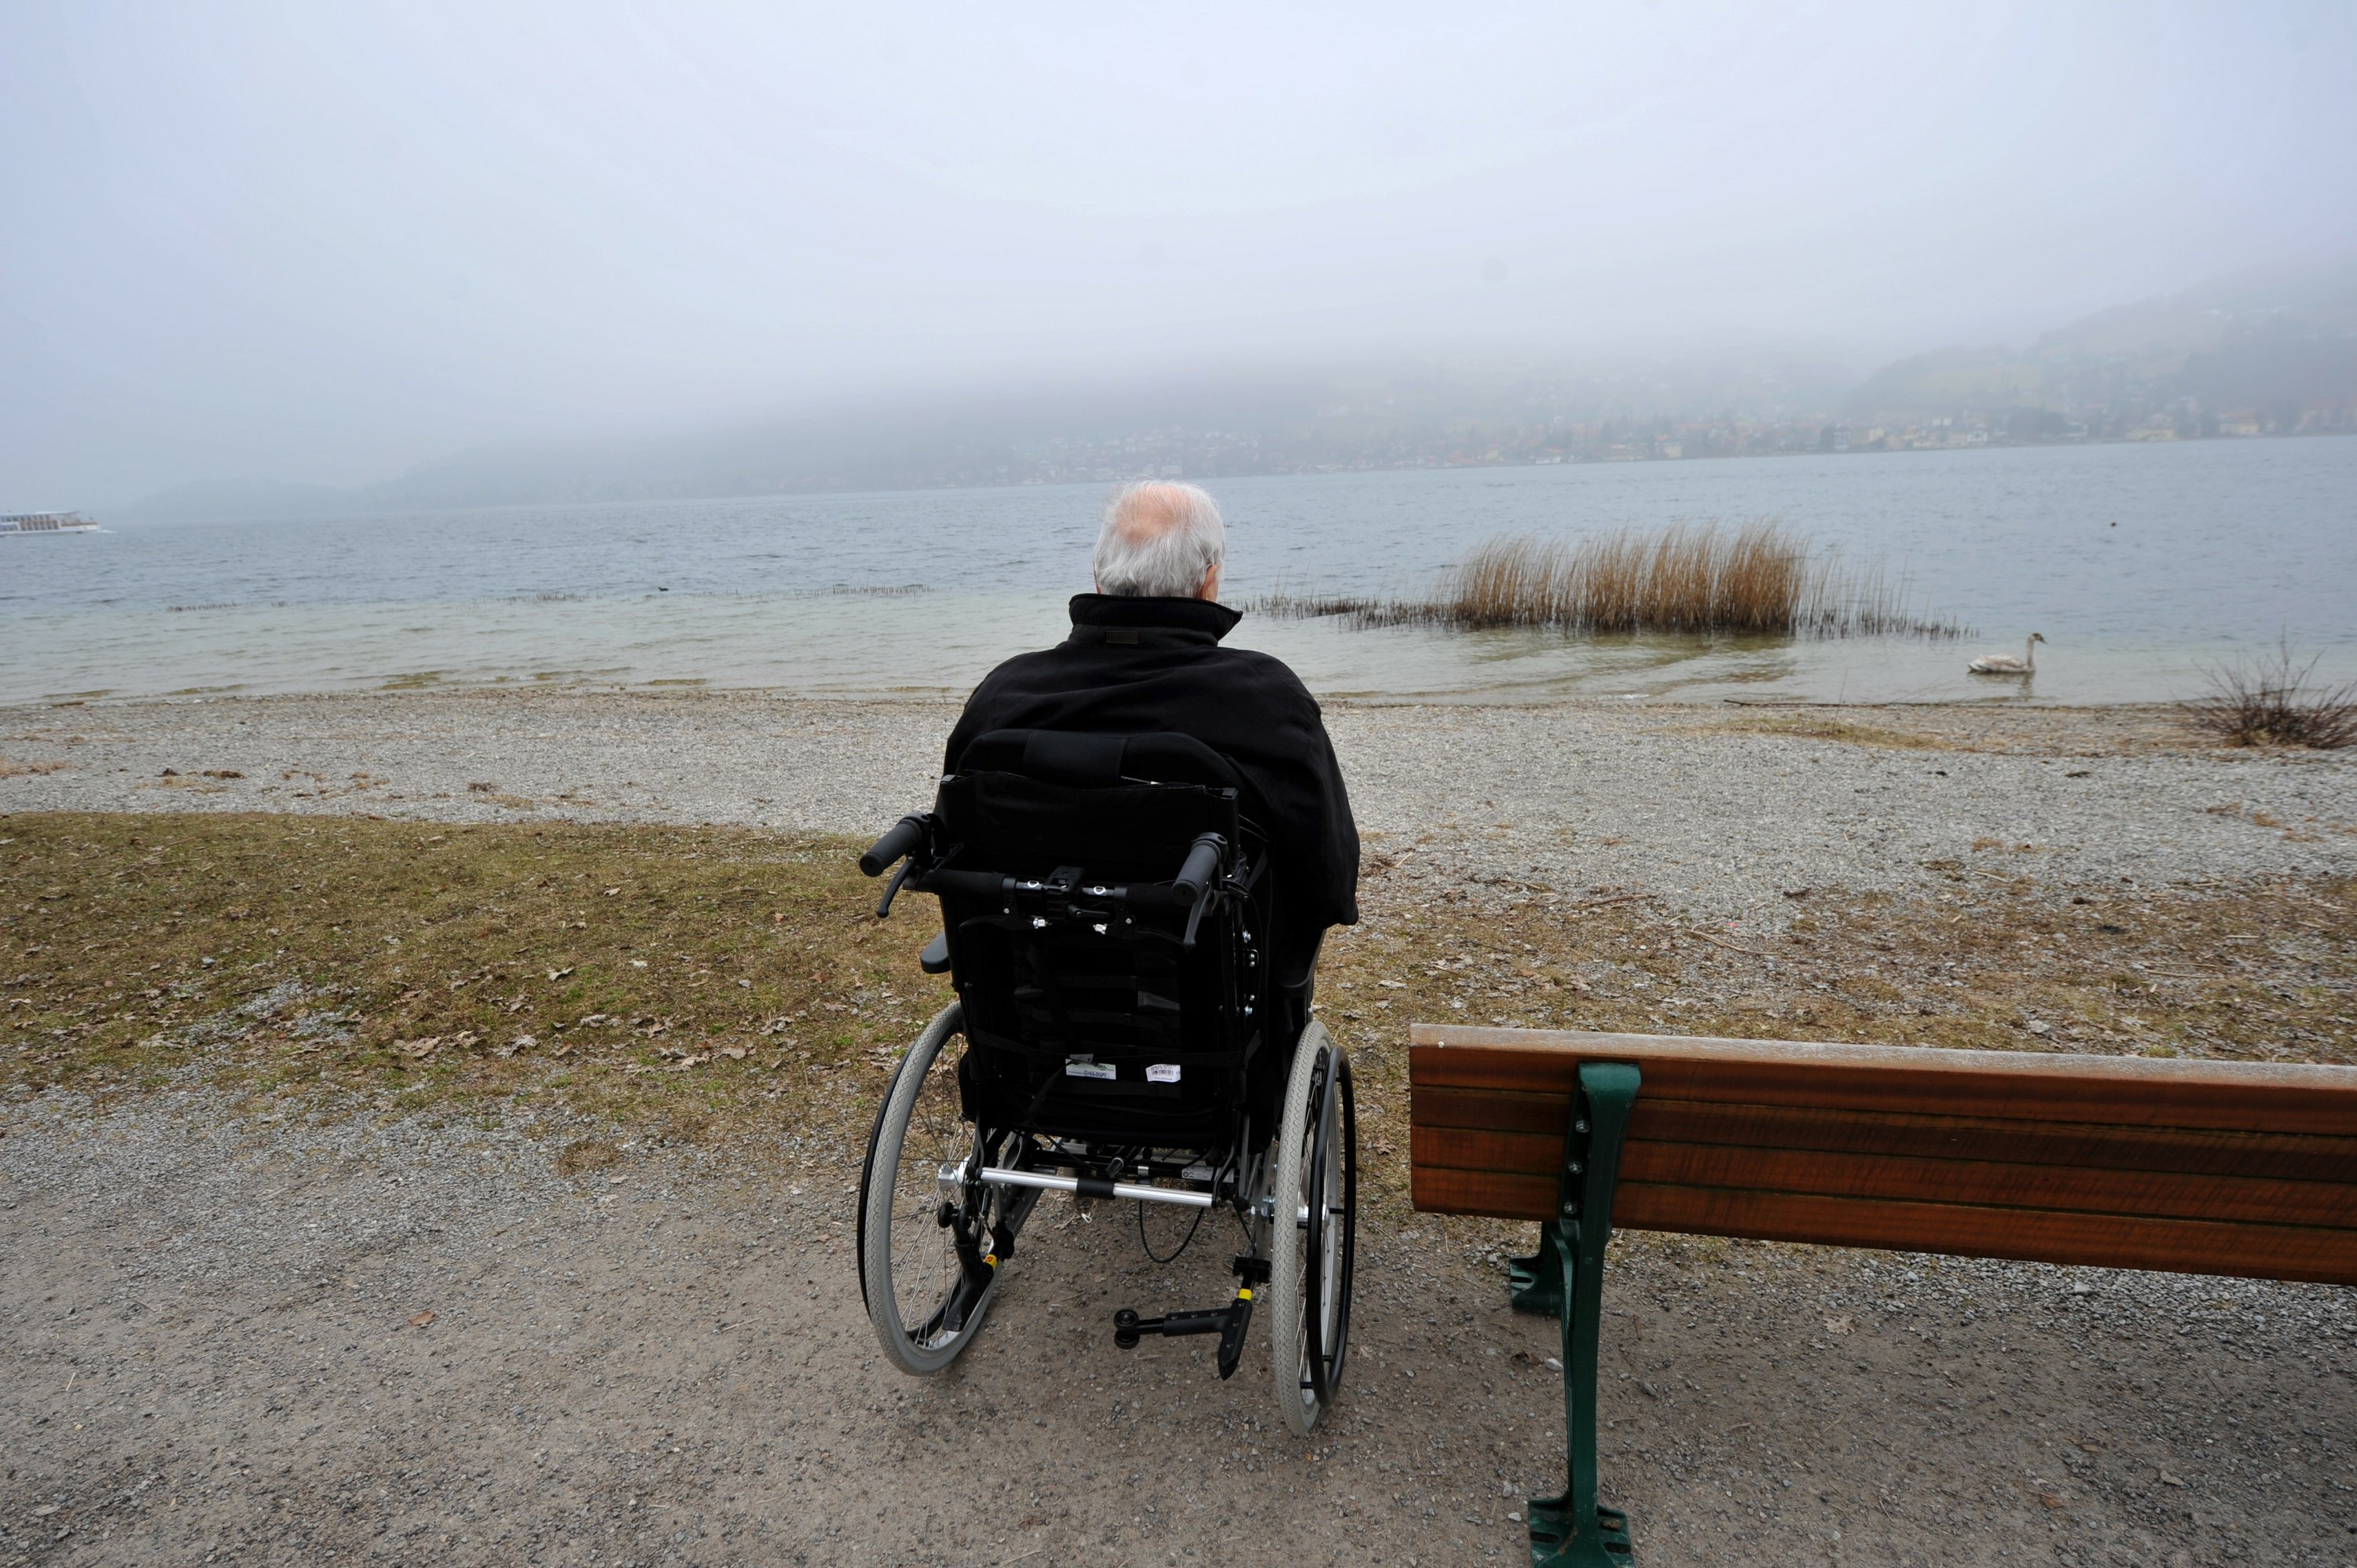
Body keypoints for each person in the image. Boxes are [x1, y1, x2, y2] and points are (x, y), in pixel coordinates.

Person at [942, 481, 1359, 975]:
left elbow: (956, 847)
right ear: (1209, 582)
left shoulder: (1005, 694)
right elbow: (1329, 883)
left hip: (1031, 987)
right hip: (1210, 990)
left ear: (1099, 578)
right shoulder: (1266, 698)